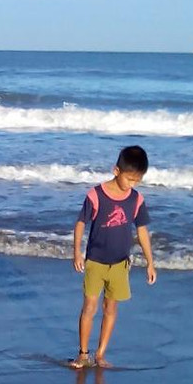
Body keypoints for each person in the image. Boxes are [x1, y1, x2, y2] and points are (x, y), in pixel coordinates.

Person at [71, 145, 157, 369]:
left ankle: (100, 354)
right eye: (130, 179)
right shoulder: (96, 195)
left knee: (111, 308)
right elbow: (81, 223)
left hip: (120, 264)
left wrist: (150, 262)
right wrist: (76, 252)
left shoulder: (136, 199)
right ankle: (83, 353)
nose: (133, 184)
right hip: (95, 261)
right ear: (116, 171)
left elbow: (142, 231)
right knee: (90, 307)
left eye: (138, 180)